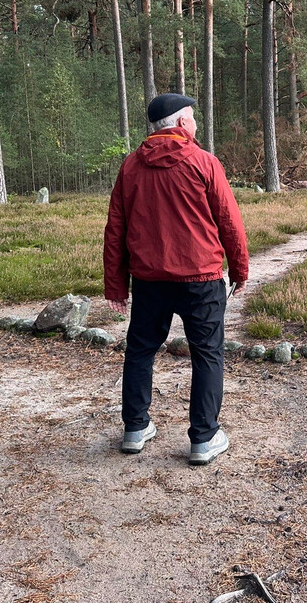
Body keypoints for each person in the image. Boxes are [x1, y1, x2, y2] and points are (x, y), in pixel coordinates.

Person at [103, 93, 248, 465]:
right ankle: (204, 438)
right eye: (193, 119)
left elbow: (114, 229)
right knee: (207, 354)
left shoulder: (131, 167)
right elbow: (229, 221)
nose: (195, 125)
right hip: (201, 280)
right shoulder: (204, 163)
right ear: (182, 124)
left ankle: (135, 429)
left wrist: (116, 284)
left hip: (150, 282)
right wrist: (240, 267)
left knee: (139, 352)